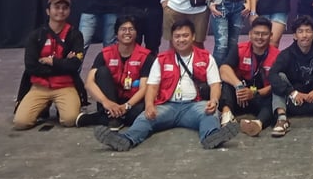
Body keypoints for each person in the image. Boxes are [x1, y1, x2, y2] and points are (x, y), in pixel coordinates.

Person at [93, 18, 240, 151]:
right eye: (177, 36)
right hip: (166, 106)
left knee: (210, 114)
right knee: (144, 118)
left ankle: (211, 136)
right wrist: (149, 105)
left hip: (194, 105)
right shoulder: (161, 59)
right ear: (172, 38)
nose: (181, 40)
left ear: (193, 37)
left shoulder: (206, 57)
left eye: (185, 35)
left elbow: (215, 84)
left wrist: (213, 101)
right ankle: (126, 139)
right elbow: (152, 86)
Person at [13, 0, 86, 129]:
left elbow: (75, 64)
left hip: (65, 86)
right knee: (21, 123)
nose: (61, 11)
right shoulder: (36, 35)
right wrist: (64, 63)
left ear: (69, 11)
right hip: (39, 86)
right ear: (48, 11)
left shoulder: (75, 35)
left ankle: (62, 106)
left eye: (64, 8)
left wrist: (53, 62)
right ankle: (43, 107)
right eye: (56, 7)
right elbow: (31, 67)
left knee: (70, 120)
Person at [76, 15, 155, 130]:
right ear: (116, 33)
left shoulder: (146, 56)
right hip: (109, 99)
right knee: (102, 72)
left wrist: (126, 106)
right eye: (123, 29)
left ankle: (104, 118)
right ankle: (113, 116)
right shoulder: (105, 54)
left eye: (131, 29)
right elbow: (89, 83)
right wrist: (107, 102)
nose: (127, 32)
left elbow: (144, 89)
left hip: (132, 103)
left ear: (136, 33)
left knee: (139, 113)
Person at [218, 16, 279, 136]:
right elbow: (224, 69)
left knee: (275, 98)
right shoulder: (239, 49)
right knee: (226, 85)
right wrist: (238, 86)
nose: (260, 37)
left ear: (271, 36)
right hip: (240, 97)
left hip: (260, 96)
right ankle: (227, 116)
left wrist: (254, 93)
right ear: (250, 34)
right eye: (256, 33)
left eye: (264, 34)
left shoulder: (277, 55)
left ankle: (257, 124)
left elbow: (276, 84)